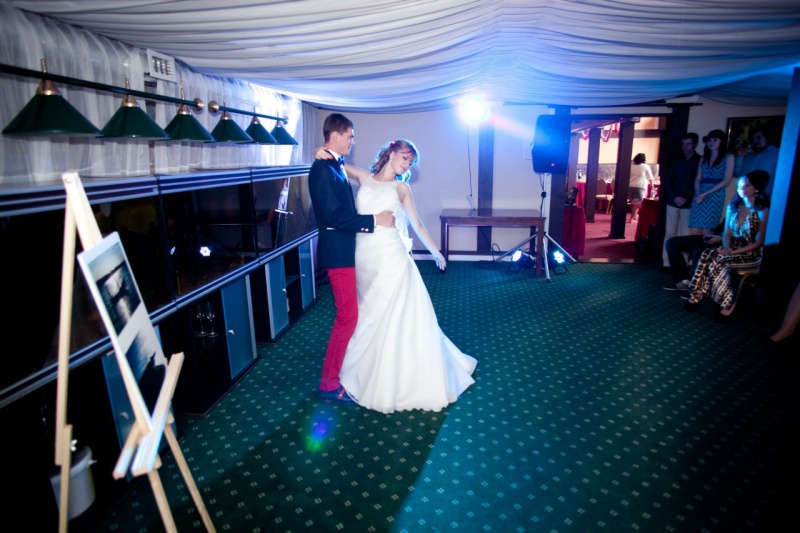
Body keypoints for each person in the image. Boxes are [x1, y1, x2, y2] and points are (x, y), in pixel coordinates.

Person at [317, 139, 477, 413]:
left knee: (389, 310)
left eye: (411, 162)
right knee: (367, 311)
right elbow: (337, 164)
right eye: (404, 158)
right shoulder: (364, 177)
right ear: (391, 154)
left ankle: (393, 373)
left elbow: (417, 224)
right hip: (363, 256)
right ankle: (364, 366)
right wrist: (321, 152)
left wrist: (436, 252)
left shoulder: (402, 188)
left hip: (390, 256)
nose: (407, 165)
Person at [308, 113, 395, 403]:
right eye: (350, 136)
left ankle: (342, 372)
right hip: (338, 254)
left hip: (347, 251)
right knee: (347, 317)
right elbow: (334, 216)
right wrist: (375, 220)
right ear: (335, 135)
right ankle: (328, 383)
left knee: (350, 315)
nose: (353, 142)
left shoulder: (334, 165)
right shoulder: (322, 169)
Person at [684, 171, 770, 321]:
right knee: (707, 253)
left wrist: (731, 252)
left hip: (751, 254)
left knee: (718, 261)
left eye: (747, 185)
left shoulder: (762, 211)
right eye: (740, 185)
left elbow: (758, 242)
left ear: (756, 188)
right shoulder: (734, 206)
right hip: (732, 248)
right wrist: (726, 248)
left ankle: (728, 304)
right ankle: (696, 295)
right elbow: (727, 234)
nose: (742, 189)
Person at [662, 133, 701, 267]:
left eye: (688, 144)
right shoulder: (676, 160)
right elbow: (668, 181)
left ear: (694, 144)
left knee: (686, 233)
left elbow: (698, 183)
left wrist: (686, 198)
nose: (685, 147)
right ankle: (667, 261)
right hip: (672, 200)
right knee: (670, 231)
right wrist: (675, 197)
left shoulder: (699, 161)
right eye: (683, 144)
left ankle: (683, 262)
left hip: (689, 202)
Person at [688, 129, 735, 235]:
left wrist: (706, 193)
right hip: (700, 193)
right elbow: (698, 178)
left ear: (721, 141)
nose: (711, 143)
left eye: (715, 140)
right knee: (695, 229)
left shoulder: (728, 157)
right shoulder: (704, 158)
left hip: (715, 194)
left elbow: (727, 180)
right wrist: (698, 192)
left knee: (707, 228)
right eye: (709, 140)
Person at [662, 219, 724, 291]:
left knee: (698, 250)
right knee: (671, 243)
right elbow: (722, 226)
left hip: (727, 244)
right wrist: (711, 233)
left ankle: (695, 287)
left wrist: (721, 239)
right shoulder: (732, 212)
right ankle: (683, 281)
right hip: (717, 237)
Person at [736, 124, 780, 197]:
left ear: (767, 137)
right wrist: (740, 158)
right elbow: (737, 174)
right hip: (745, 199)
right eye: (752, 139)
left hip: (767, 200)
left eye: (758, 138)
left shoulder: (778, 154)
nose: (755, 141)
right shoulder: (748, 156)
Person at [627, 153, 655, 223]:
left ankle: (634, 216)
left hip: (629, 186)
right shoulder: (645, 166)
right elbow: (650, 177)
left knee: (633, 203)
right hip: (639, 187)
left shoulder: (631, 166)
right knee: (636, 204)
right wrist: (652, 185)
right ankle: (632, 218)